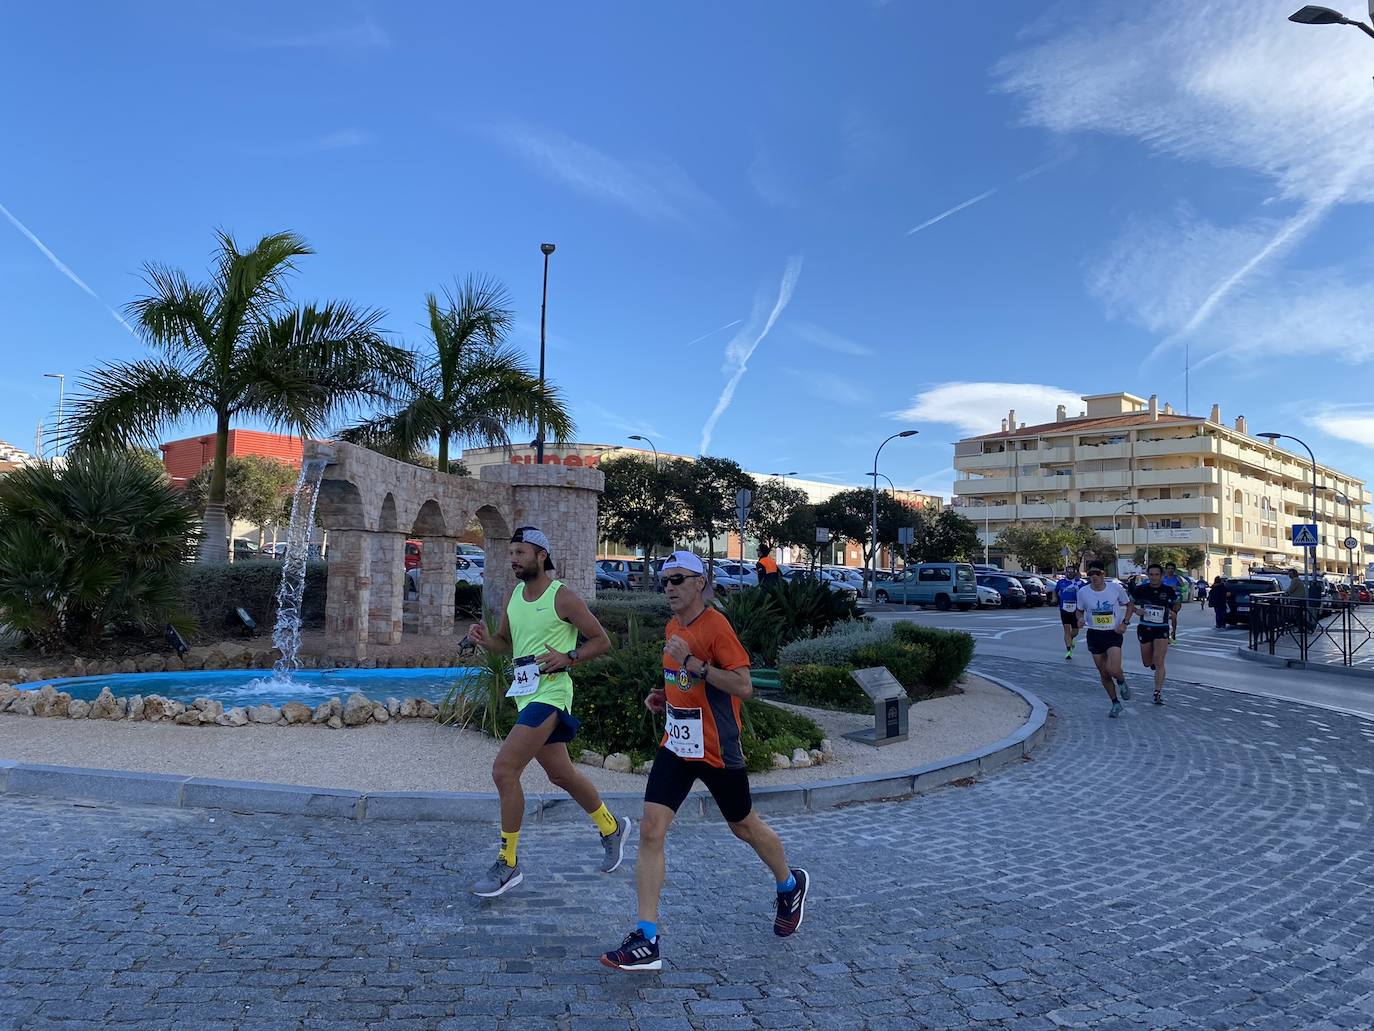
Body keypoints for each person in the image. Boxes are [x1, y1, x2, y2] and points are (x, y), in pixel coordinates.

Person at [600, 551, 809, 972]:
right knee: (650, 829)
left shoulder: (716, 627)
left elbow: (743, 685)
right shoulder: (673, 626)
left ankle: (789, 883)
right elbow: (681, 680)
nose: (670, 587)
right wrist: (664, 698)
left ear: (700, 582)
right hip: (677, 745)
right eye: (665, 580)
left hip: (717, 748)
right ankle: (646, 938)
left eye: (678, 579)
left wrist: (693, 663)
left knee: (743, 826)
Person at [466, 526, 631, 897]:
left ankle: (508, 862)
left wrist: (570, 657)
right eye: (512, 553)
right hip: (525, 695)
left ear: (541, 556)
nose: (513, 559)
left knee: (504, 770)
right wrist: (484, 640)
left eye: (521, 553)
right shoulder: (514, 596)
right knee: (561, 775)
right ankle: (611, 827)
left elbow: (602, 640)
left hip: (552, 693)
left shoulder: (563, 597)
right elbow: (506, 644)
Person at [1075, 563, 1132, 718]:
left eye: (1097, 573)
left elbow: (1129, 605)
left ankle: (1121, 681)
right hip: (1094, 634)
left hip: (1113, 633)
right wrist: (1080, 619)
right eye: (1090, 574)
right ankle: (1115, 703)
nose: (1094, 576)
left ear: (1103, 574)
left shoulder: (1115, 588)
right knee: (1104, 674)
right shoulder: (1083, 592)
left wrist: (1124, 623)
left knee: (1114, 669)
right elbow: (1079, 610)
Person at [1128, 563, 1177, 705]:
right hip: (1145, 628)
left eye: (1157, 575)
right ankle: (1152, 663)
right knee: (1146, 662)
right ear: (1148, 575)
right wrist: (1137, 611)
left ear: (1161, 576)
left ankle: (1157, 692)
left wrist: (1172, 613)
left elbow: (1175, 606)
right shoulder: (1141, 589)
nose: (1154, 577)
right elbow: (1129, 604)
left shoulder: (1168, 590)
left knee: (1160, 660)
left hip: (1161, 628)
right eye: (1151, 575)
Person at [1054, 565, 1086, 661]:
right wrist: (1054, 598)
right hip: (1064, 609)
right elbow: (1055, 591)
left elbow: (1085, 593)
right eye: (1068, 571)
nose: (1070, 573)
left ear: (1075, 572)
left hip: (1076, 610)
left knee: (1075, 631)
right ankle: (1068, 651)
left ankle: (1071, 639)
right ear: (1065, 572)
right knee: (1066, 629)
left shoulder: (1080, 583)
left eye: (1072, 571)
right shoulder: (1061, 582)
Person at [1160, 563, 1184, 641]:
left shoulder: (1177, 578)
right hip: (1165, 600)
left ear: (1174, 569)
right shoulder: (1162, 578)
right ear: (1166, 569)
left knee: (1174, 617)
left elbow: (1185, 588)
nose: (1170, 570)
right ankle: (1166, 634)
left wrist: (1177, 588)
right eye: (1169, 568)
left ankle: (1173, 632)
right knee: (1165, 617)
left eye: (1172, 568)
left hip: (1176, 600)